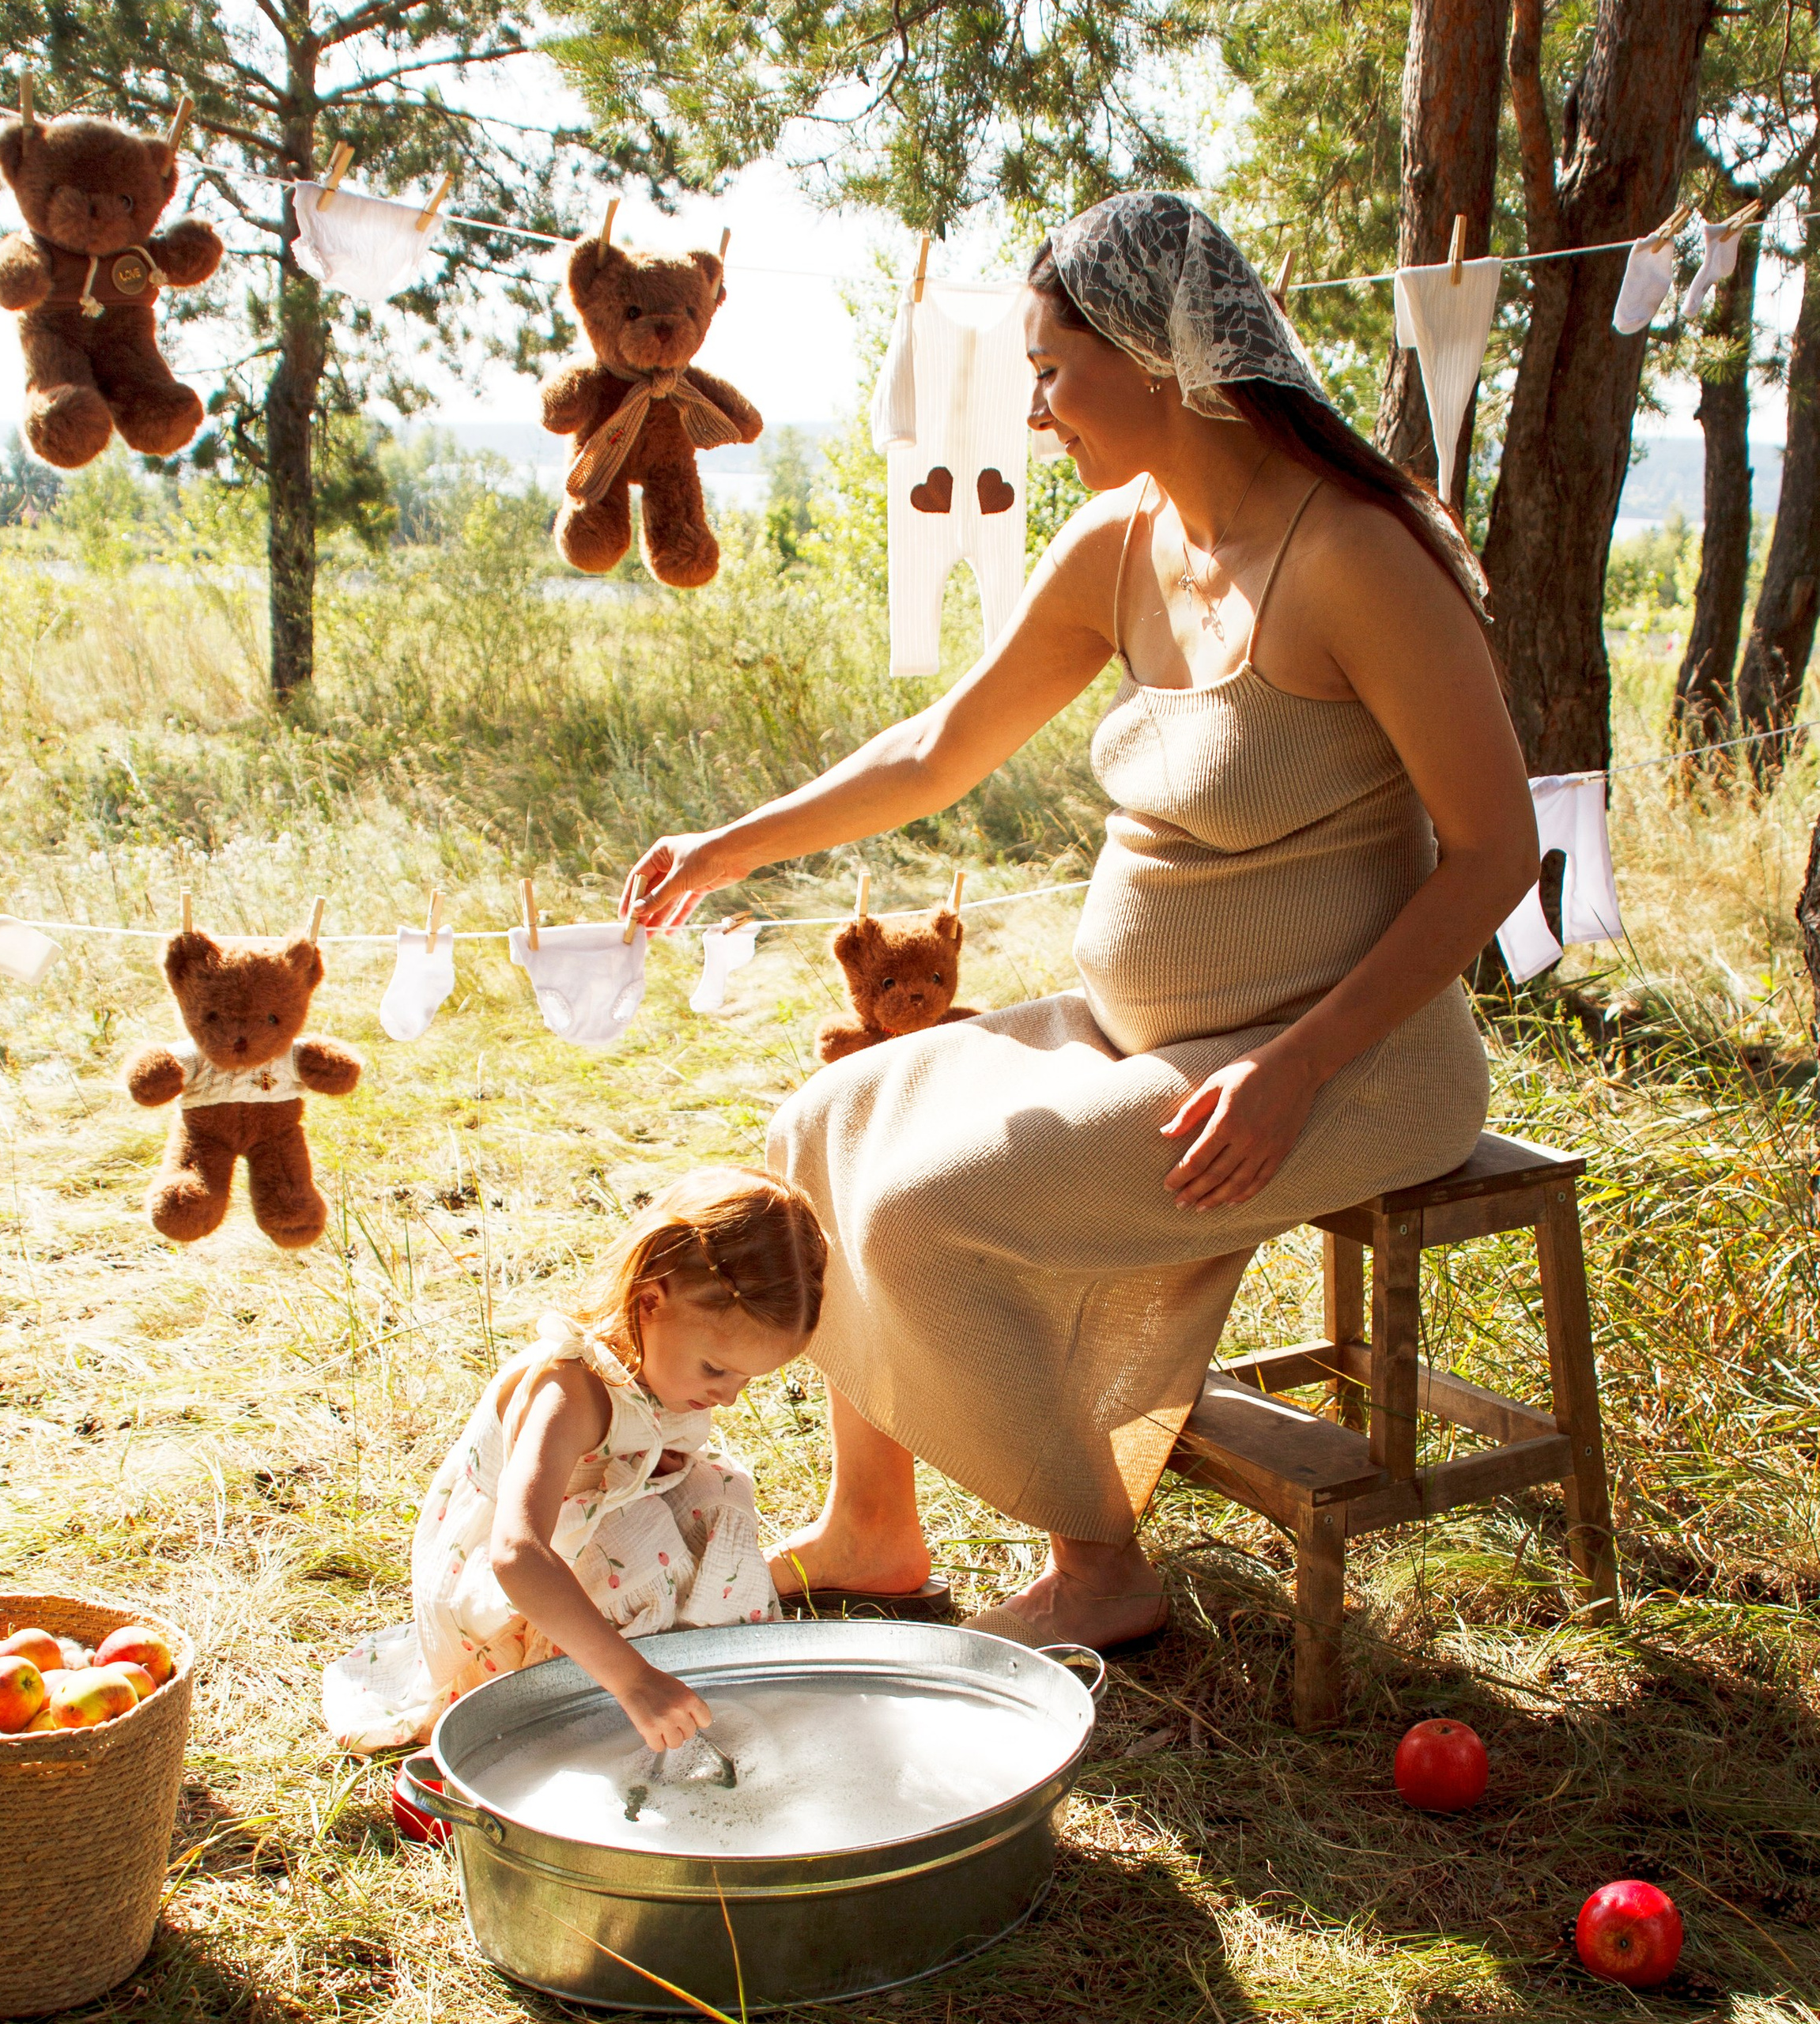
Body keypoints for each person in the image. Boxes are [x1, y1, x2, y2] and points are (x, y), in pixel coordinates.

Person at [618, 192, 1540, 1656]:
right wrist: (730, 847)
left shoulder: (1359, 558)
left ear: (1160, 357)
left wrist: (1296, 1067)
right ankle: (875, 1528)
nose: (1037, 411)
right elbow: (940, 748)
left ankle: (1099, 1565)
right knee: (822, 1125)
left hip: (1347, 1064)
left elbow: (1499, 853)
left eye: (1052, 369)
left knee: (927, 1209)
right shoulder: (1125, 540)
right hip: (1146, 1034)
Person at [323, 1166, 826, 1754]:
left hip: (594, 1535)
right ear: (649, 1301)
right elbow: (515, 1554)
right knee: (640, 1549)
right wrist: (632, 1678)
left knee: (722, 1496)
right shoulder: (571, 1391)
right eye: (716, 1369)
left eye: (748, 1379)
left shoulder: (667, 1368)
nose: (729, 1395)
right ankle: (611, 1706)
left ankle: (708, 1677)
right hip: (518, 1601)